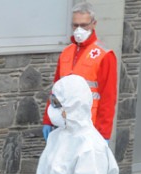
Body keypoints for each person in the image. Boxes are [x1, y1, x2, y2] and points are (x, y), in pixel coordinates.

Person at [42, 2, 117, 142]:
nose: (79, 29)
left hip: (88, 127)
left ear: (93, 24)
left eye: (84, 25)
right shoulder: (66, 53)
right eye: (75, 25)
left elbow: (108, 98)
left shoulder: (104, 55)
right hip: (63, 124)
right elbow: (55, 91)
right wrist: (48, 119)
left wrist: (103, 134)